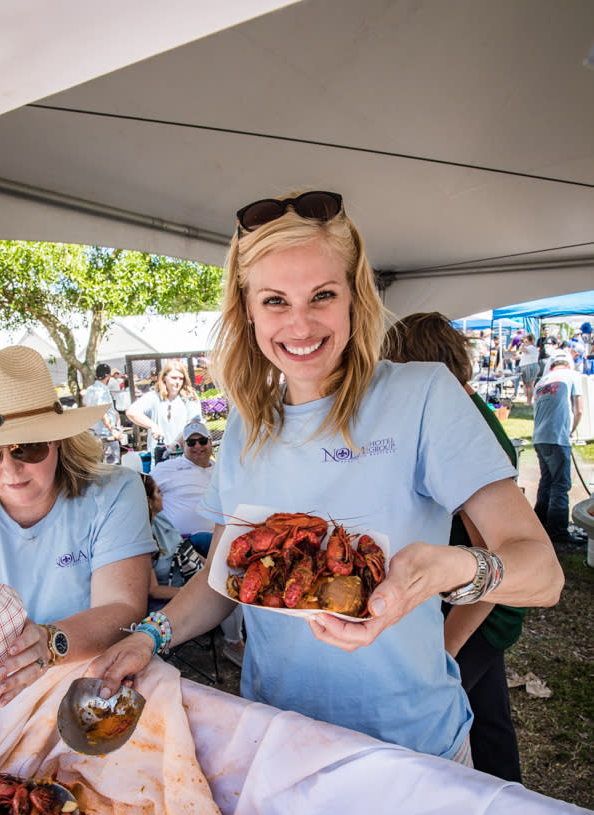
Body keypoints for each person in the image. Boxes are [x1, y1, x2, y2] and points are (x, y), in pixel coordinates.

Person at [89, 189, 562, 763]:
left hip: (411, 748)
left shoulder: (423, 395)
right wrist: (151, 637)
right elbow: (222, 578)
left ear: (354, 298)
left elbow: (543, 574)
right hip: (276, 742)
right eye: (275, 301)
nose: (301, 324)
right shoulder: (245, 424)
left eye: (322, 295)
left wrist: (451, 568)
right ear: (247, 311)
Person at [0, 345, 152, 815]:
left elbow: (122, 606)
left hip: (86, 699)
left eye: (26, 447)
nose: (9, 472)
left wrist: (51, 642)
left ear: (60, 439)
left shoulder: (113, 492)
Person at [382, 312, 525, 781]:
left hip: (482, 606)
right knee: (489, 719)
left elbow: (492, 552)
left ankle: (495, 811)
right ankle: (513, 803)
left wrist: (447, 647)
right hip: (472, 601)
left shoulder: (464, 423)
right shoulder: (471, 408)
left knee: (457, 712)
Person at [143, 474, 245, 666]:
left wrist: (210, 568)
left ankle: (235, 638)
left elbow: (184, 548)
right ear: (148, 501)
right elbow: (153, 590)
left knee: (228, 580)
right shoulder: (142, 536)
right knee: (228, 593)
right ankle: (234, 643)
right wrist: (194, 593)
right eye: (158, 491)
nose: (163, 495)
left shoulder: (161, 519)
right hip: (170, 594)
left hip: (189, 575)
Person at [532, 350, 584, 548]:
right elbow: (579, 409)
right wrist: (571, 431)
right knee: (560, 485)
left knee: (546, 482)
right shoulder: (572, 376)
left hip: (540, 437)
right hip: (557, 437)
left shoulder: (542, 381)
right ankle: (558, 530)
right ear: (568, 365)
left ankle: (539, 523)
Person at [151, 419, 216, 554]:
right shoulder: (168, 468)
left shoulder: (221, 469)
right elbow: (143, 490)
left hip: (218, 539)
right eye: (191, 443)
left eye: (202, 441)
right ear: (183, 446)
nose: (198, 446)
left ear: (210, 442)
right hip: (184, 544)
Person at [126, 360, 202, 456]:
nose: (177, 382)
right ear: (164, 378)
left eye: (181, 378)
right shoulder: (154, 397)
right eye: (173, 378)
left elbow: (193, 424)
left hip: (185, 456)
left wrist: (175, 444)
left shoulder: (189, 397)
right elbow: (131, 412)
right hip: (159, 456)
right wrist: (152, 425)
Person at [83, 362, 124, 463]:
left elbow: (85, 406)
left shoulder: (89, 390)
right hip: (105, 436)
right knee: (112, 468)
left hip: (93, 434)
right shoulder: (103, 391)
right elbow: (102, 413)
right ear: (108, 376)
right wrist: (112, 429)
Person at [519, 333, 541, 403]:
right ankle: (528, 400)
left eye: (526, 341)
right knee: (527, 385)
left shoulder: (531, 348)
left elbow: (521, 349)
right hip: (526, 366)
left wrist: (522, 343)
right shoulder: (529, 348)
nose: (525, 343)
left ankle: (529, 401)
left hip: (529, 366)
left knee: (529, 385)